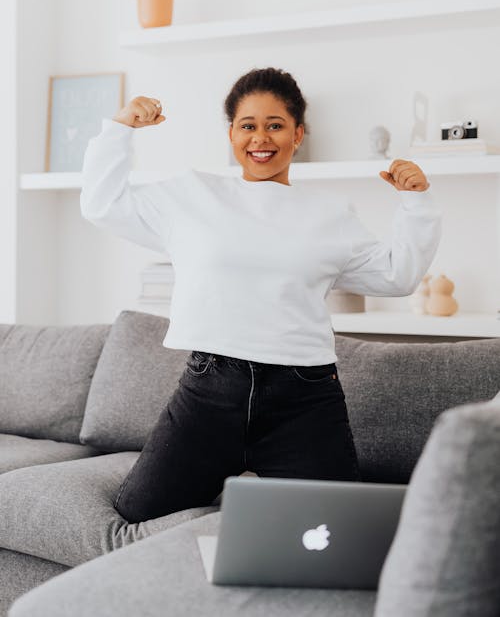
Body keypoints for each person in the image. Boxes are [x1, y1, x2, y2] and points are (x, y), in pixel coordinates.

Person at [80, 67, 442, 524]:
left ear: (298, 134)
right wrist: (120, 130)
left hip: (304, 400)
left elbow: (397, 276)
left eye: (276, 125)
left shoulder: (329, 215)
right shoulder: (192, 195)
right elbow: (101, 204)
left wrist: (418, 203)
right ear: (231, 133)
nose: (260, 138)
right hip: (209, 392)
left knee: (333, 537)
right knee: (136, 517)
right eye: (248, 125)